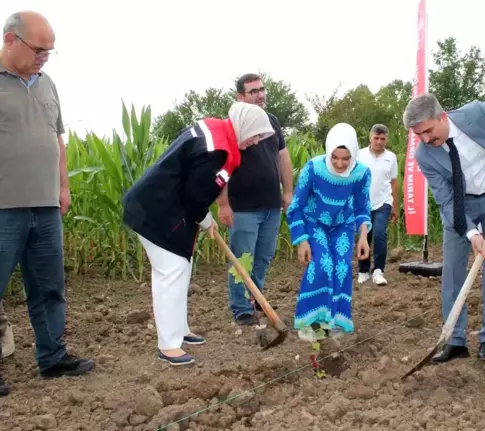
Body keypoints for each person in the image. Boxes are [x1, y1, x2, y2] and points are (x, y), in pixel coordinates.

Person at [122, 102, 275, 366]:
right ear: (245, 127)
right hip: (156, 211)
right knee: (170, 273)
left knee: (181, 268)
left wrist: (203, 217)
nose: (256, 142)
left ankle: (180, 331)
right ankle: (168, 346)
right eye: (256, 135)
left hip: (166, 208)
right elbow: (194, 194)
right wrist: (206, 220)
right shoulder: (215, 149)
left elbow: (198, 189)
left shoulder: (219, 133)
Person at [0, 11, 95, 396]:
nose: (44, 57)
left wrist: (63, 188)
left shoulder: (48, 83)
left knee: (49, 287)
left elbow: (57, 139)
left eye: (49, 52)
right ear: (10, 40)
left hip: (45, 206)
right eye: (39, 50)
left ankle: (52, 357)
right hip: (4, 208)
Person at [404, 92, 485, 362]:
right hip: (459, 209)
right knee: (452, 271)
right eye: (420, 135)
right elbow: (446, 199)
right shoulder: (424, 156)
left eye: (428, 131)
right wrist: (471, 232)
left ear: (442, 117)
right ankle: (455, 340)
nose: (426, 139)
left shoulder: (474, 115)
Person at [217, 73, 294, 326]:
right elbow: (221, 166)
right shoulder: (232, 126)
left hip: (271, 204)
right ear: (240, 97)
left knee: (263, 257)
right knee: (243, 258)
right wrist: (224, 204)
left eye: (262, 89)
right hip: (244, 208)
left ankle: (256, 298)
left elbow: (282, 157)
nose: (260, 94)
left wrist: (287, 191)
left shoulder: (272, 122)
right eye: (253, 91)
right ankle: (241, 308)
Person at [286, 123, 372, 342]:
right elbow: (296, 205)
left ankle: (335, 321)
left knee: (342, 268)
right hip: (314, 223)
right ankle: (311, 324)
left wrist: (363, 236)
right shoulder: (314, 169)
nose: (340, 164)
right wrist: (302, 240)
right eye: (334, 157)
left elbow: (362, 208)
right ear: (328, 151)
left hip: (343, 225)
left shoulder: (361, 173)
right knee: (322, 265)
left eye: (346, 158)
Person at [356, 124, 399, 286]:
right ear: (370, 137)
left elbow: (394, 182)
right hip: (363, 204)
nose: (379, 142)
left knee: (380, 234)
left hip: (384, 202)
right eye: (376, 138)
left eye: (383, 139)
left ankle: (378, 270)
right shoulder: (359, 155)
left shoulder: (391, 157)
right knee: (364, 235)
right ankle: (363, 270)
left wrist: (395, 205)